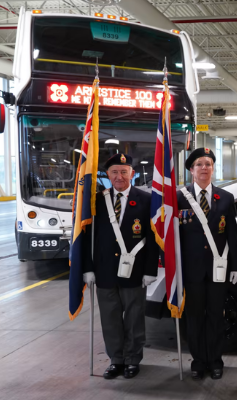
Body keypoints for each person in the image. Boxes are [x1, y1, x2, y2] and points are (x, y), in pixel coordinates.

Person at [82, 153, 158, 379]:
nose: (119, 176)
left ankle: (133, 359)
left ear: (132, 174)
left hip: (135, 271)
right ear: (108, 175)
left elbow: (153, 238)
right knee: (110, 319)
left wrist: (150, 270)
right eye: (114, 172)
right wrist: (88, 268)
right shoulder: (96, 200)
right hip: (104, 272)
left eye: (124, 172)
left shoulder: (146, 200)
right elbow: (86, 237)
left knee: (134, 319)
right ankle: (116, 360)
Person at [177, 147, 237, 381]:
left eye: (208, 164)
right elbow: (173, 236)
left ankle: (215, 360)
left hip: (219, 268)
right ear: (191, 170)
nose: (204, 168)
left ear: (213, 168)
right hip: (191, 270)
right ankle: (197, 361)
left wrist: (236, 267)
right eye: (199, 164)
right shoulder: (178, 197)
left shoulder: (225, 198)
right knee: (193, 317)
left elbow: (232, 234)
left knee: (216, 315)